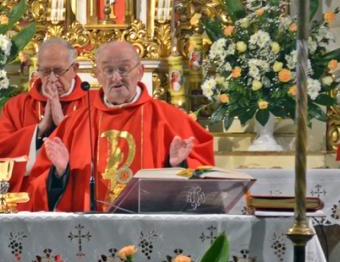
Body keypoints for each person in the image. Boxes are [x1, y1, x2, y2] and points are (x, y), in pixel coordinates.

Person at [28, 40, 215, 212]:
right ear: (98, 76)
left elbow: (207, 180)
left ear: (140, 71)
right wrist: (59, 173)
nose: (116, 78)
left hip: (151, 230)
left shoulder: (170, 119)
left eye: (124, 69)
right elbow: (37, 186)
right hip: (91, 231)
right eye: (108, 71)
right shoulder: (74, 125)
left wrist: (178, 165)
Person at [0, 38, 89, 198]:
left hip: (77, 196)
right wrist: (39, 129)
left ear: (74, 69)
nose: (52, 79)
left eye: (59, 71)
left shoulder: (91, 103)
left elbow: (98, 150)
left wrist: (62, 123)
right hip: (29, 198)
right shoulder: (17, 106)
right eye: (45, 71)